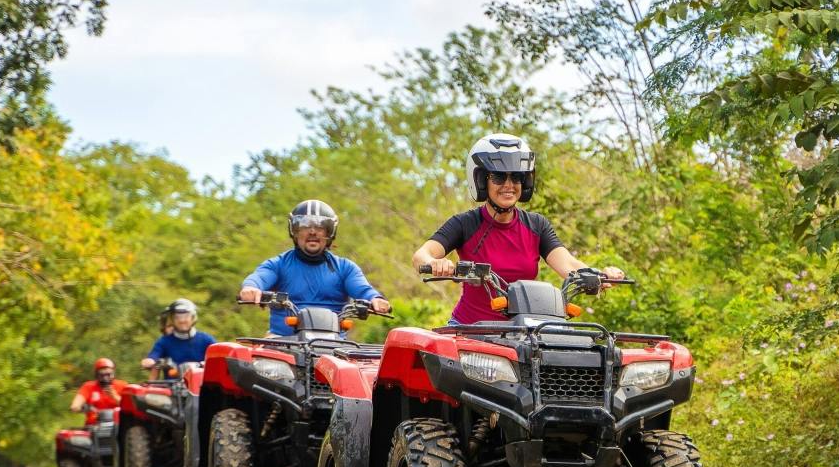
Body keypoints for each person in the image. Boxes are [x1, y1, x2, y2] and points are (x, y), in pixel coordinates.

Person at [410, 133, 623, 325]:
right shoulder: (465, 223)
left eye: (517, 177)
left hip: (523, 331)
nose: (509, 184)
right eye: (499, 177)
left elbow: (568, 264)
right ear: (481, 180)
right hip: (470, 330)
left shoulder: (537, 225)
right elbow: (421, 255)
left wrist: (598, 275)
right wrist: (435, 263)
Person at [238, 199, 391, 334]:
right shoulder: (278, 264)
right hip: (281, 343)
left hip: (335, 347)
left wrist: (375, 299)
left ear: (330, 233)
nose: (312, 232)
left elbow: (363, 289)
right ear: (295, 232)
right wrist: (251, 288)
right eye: (305, 226)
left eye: (320, 227)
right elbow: (259, 277)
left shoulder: (346, 268)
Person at [142, 298, 216, 375]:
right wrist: (149, 361)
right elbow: (154, 355)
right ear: (172, 319)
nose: (182, 320)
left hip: (203, 385)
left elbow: (219, 360)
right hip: (172, 386)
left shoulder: (206, 339)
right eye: (177, 317)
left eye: (186, 316)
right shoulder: (164, 341)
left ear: (193, 318)